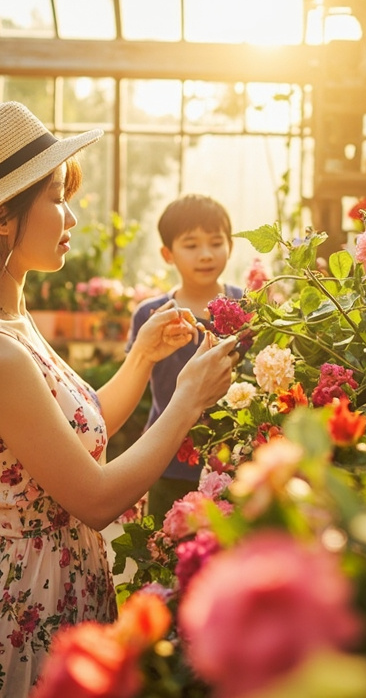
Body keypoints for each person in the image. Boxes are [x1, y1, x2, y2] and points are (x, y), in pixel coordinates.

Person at [0, 102, 238, 696]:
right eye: (55, 198)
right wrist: (187, 399)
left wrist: (141, 358)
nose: (70, 216)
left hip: (59, 584)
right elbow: (95, 498)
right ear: (1, 217)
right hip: (26, 612)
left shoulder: (9, 319)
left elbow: (76, 435)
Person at [126, 194, 243, 519]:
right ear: (168, 254)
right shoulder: (152, 315)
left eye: (216, 243)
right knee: (163, 541)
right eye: (191, 245)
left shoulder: (247, 306)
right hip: (166, 460)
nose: (205, 254)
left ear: (230, 246)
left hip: (234, 458)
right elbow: (133, 379)